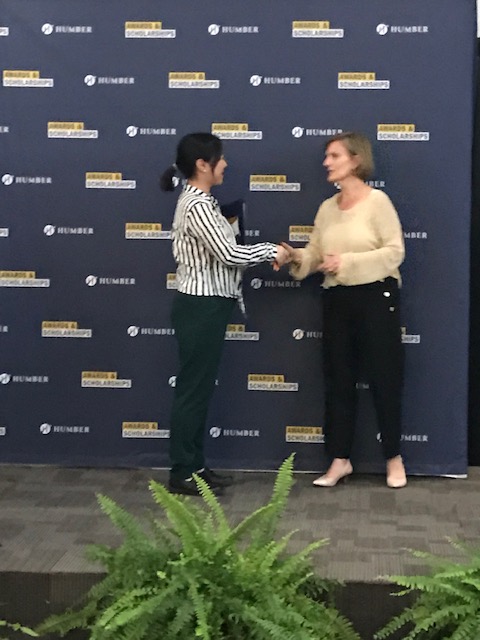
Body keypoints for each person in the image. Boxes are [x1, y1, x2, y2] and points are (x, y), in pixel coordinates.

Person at [276, 132, 407, 488]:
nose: (326, 163)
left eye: (334, 156)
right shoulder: (327, 208)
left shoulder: (378, 202)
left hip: (376, 297)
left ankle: (394, 458)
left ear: (356, 160)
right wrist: (295, 257)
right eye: (327, 156)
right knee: (338, 380)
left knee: (385, 379)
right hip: (337, 300)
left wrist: (346, 262)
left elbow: (395, 252)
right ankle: (339, 460)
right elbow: (316, 254)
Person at [160, 132, 288, 496]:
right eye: (221, 158)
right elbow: (229, 254)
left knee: (198, 390)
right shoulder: (197, 206)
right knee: (193, 391)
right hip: (201, 307)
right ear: (203, 165)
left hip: (208, 306)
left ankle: (195, 466)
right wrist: (272, 251)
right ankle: (182, 471)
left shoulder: (203, 202)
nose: (226, 164)